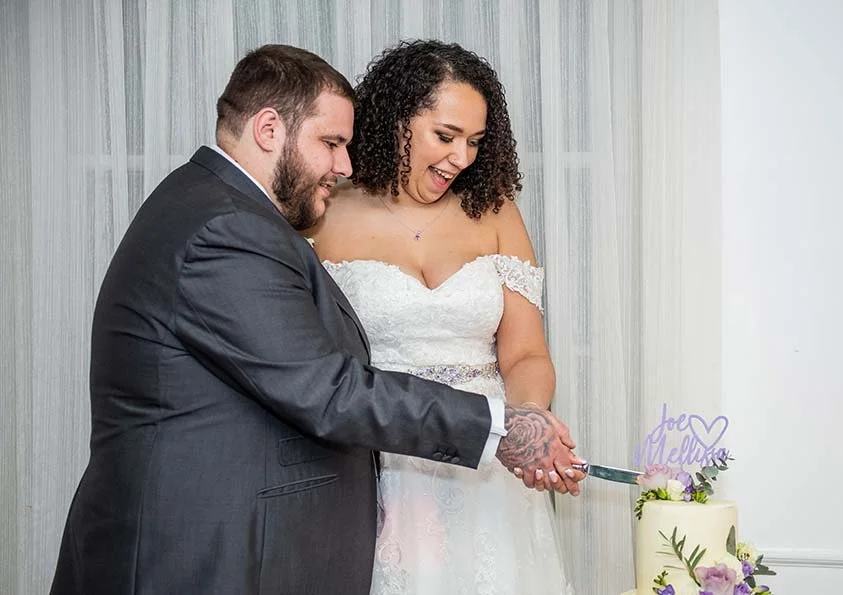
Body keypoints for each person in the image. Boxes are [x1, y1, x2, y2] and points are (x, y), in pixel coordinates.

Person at [49, 44, 584, 595]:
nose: (344, 164)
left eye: (473, 142)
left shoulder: (216, 204)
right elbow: (324, 387)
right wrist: (496, 428)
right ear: (268, 129)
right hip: (205, 536)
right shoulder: (232, 228)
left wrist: (524, 416)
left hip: (344, 493)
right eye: (330, 143)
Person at [308, 40, 574, 594]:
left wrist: (526, 422)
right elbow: (314, 366)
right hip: (381, 465)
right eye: (446, 136)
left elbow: (525, 353)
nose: (462, 159)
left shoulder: (494, 212)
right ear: (395, 120)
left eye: (475, 142)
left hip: (488, 465)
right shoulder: (326, 213)